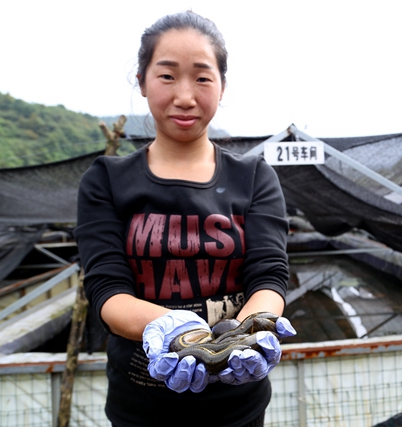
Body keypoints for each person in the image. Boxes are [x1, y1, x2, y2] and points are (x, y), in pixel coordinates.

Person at [74, 10, 295, 427]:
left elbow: (269, 275)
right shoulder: (106, 180)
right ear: (141, 82)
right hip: (139, 409)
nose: (186, 96)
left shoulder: (253, 177)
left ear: (223, 85)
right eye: (168, 75)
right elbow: (106, 290)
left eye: (202, 77)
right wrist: (168, 327)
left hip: (239, 408)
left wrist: (248, 333)